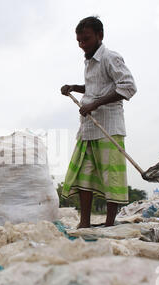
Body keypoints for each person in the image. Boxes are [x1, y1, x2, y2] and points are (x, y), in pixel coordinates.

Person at [60, 16, 137, 228]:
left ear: (99, 36)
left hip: (108, 128)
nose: (82, 45)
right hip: (88, 128)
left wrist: (95, 104)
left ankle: (109, 223)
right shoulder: (89, 62)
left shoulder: (111, 58)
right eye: (79, 41)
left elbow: (128, 87)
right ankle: (84, 222)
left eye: (86, 39)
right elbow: (95, 87)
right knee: (84, 175)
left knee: (111, 176)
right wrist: (74, 87)